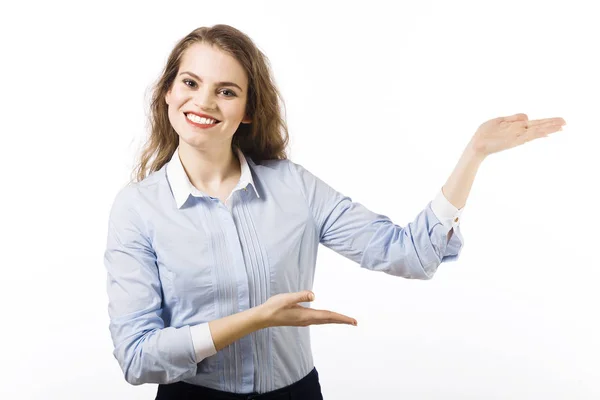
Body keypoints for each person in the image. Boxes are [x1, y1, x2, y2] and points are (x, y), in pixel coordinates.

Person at [103, 24, 566, 399]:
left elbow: (409, 254)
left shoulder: (292, 187)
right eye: (190, 82)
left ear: (247, 111)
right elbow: (137, 357)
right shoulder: (138, 209)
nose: (202, 102)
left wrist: (474, 154)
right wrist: (254, 320)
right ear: (166, 92)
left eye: (226, 91)